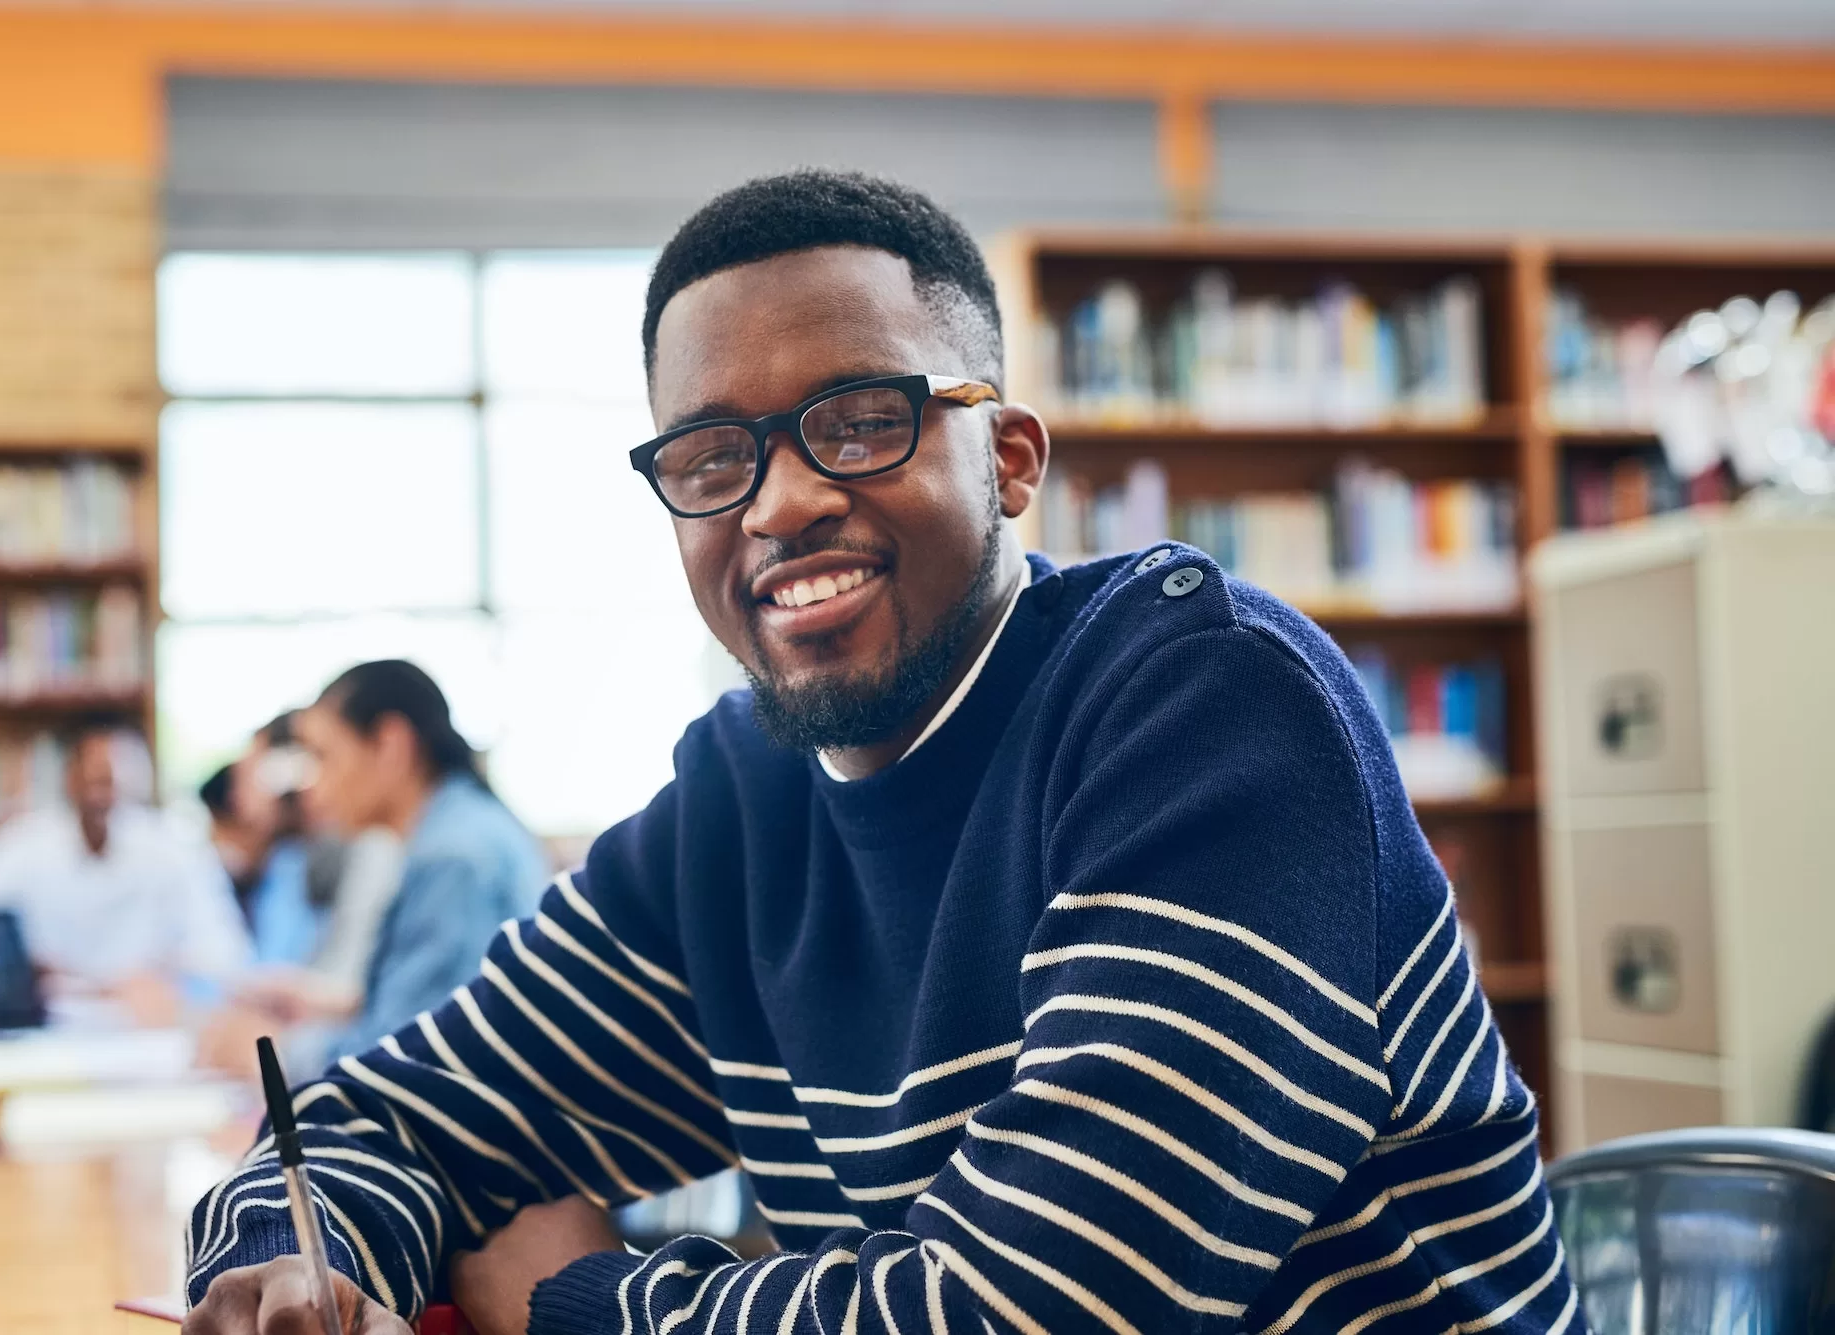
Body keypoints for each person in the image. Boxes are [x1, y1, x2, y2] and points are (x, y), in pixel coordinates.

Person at [184, 173, 1581, 1335]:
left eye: (863, 420)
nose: (783, 500)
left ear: (1011, 458)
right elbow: (388, 1114)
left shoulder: (1205, 706)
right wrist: (286, 1265)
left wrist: (575, 1304)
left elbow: (1041, 1305)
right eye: (713, 456)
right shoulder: (738, 803)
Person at [201, 660, 545, 1075]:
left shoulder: (453, 856)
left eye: (323, 756)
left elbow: (414, 1061)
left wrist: (275, 1058)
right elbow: (435, 1006)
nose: (311, 784)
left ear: (390, 745)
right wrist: (336, 1004)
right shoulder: (460, 827)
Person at [0, 712, 249, 1018]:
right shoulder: (21, 846)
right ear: (70, 778)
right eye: (95, 779)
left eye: (115, 781)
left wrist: (164, 972)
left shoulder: (178, 851)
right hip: (48, 1025)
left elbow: (224, 955)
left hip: (148, 1029)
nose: (104, 795)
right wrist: (20, 964)